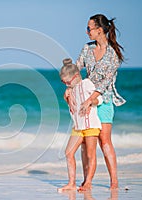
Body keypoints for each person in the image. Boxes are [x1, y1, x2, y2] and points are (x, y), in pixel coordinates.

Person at [68, 14, 126, 190]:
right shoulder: (87, 48)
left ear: (99, 30)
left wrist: (90, 100)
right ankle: (87, 181)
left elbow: (104, 83)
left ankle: (114, 180)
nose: (87, 32)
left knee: (104, 140)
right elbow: (77, 67)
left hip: (104, 99)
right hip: (85, 97)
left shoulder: (113, 54)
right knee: (87, 141)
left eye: (89, 28)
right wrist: (69, 86)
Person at [58, 58, 103, 193]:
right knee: (68, 152)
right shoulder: (69, 90)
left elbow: (99, 100)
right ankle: (71, 183)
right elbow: (72, 109)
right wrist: (66, 97)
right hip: (77, 127)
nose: (66, 84)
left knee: (90, 154)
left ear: (76, 76)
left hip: (91, 125)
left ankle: (88, 182)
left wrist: (89, 102)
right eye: (63, 82)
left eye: (67, 82)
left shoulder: (87, 84)